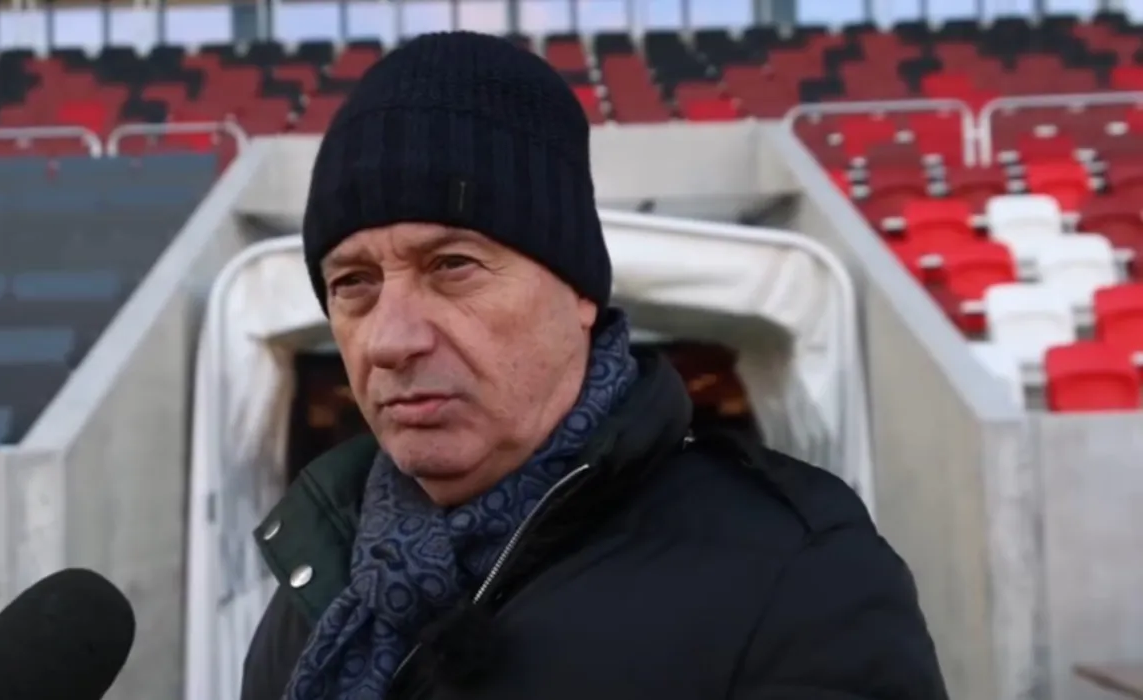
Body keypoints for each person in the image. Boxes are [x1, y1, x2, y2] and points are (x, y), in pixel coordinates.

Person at [241, 30, 948, 700]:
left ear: (579, 292)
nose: (390, 340)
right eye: (353, 283)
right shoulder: (316, 582)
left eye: (452, 265)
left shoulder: (798, 575)